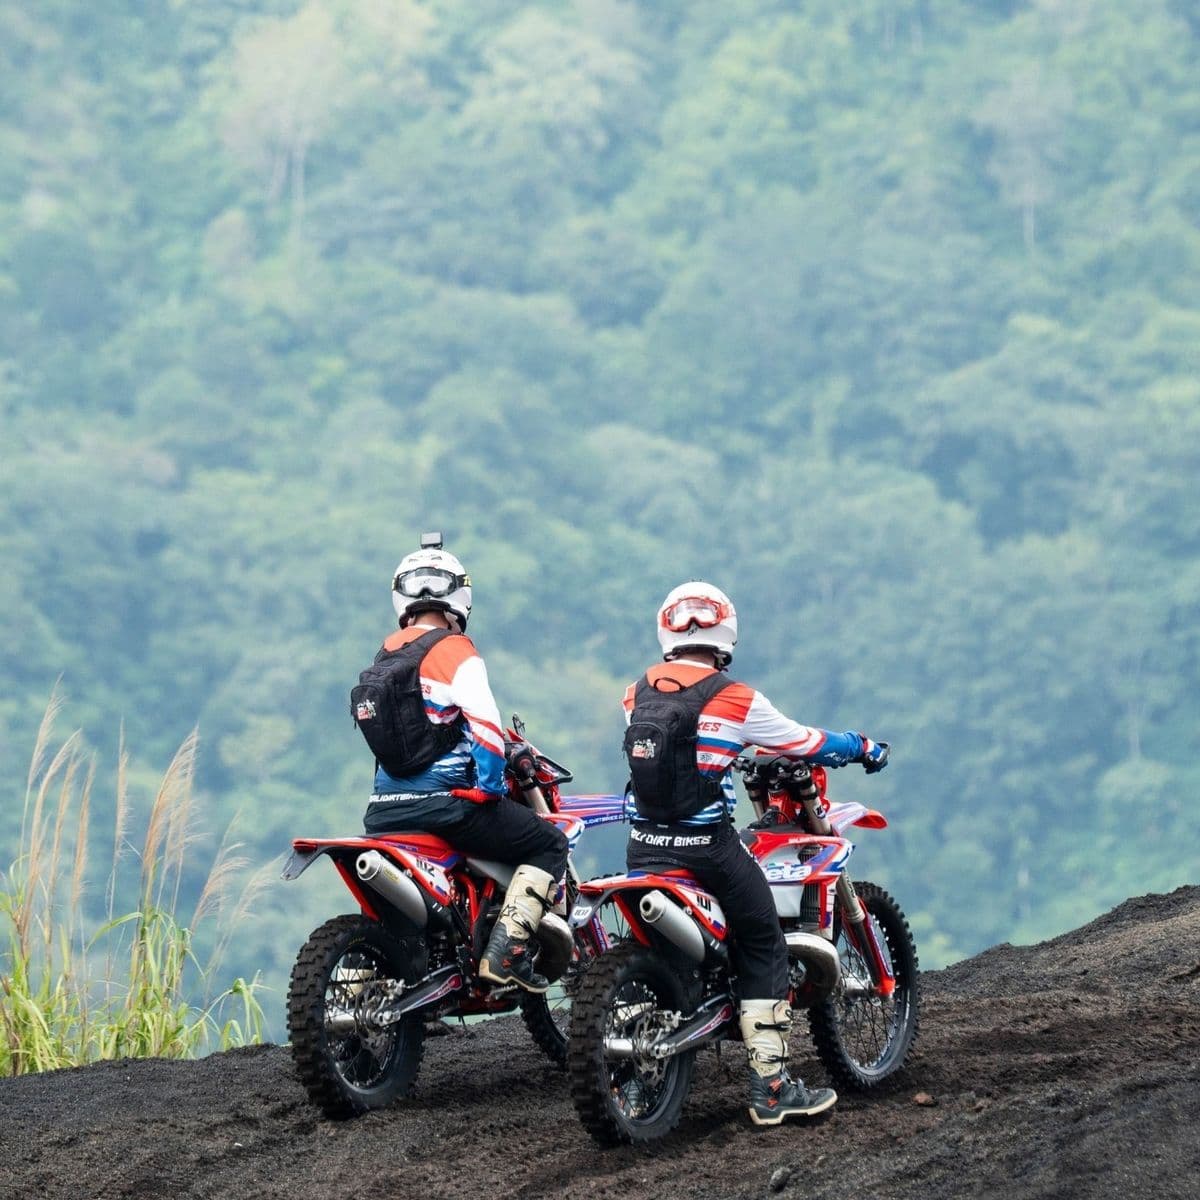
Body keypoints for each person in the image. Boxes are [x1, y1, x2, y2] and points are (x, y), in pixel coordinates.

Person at [621, 581, 889, 1127]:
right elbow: (805, 743)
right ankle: (772, 1088)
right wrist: (860, 746)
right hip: (708, 849)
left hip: (644, 845)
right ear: (727, 632)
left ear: (666, 630)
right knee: (764, 939)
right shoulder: (735, 698)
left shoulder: (634, 695)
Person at [360, 534, 568, 993]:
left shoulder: (386, 655)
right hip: (447, 808)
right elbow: (487, 729)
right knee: (549, 843)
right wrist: (489, 788)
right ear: (460, 597)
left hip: (383, 811)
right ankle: (507, 952)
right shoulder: (455, 651)